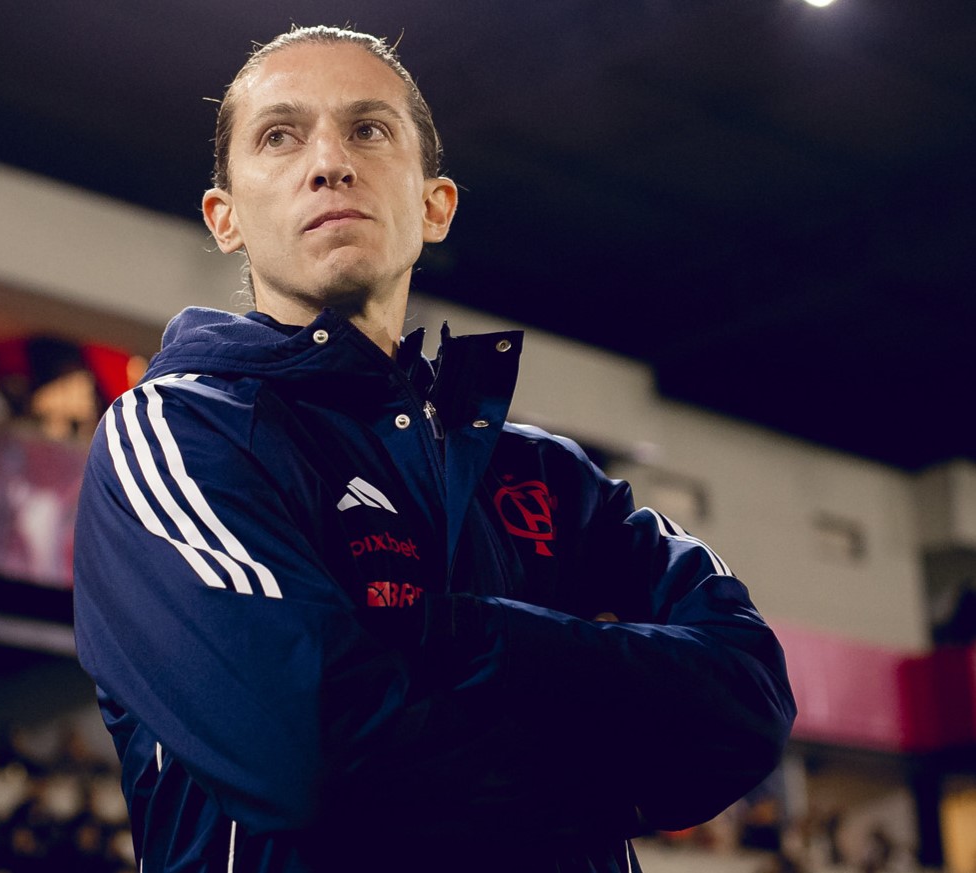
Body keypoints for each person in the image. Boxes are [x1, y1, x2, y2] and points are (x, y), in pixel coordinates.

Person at [73, 24, 796, 873]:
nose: (330, 162)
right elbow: (313, 751)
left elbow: (751, 694)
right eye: (280, 136)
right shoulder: (175, 432)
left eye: (368, 129)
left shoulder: (550, 476)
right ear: (224, 218)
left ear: (435, 205)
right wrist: (608, 753)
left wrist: (466, 633)